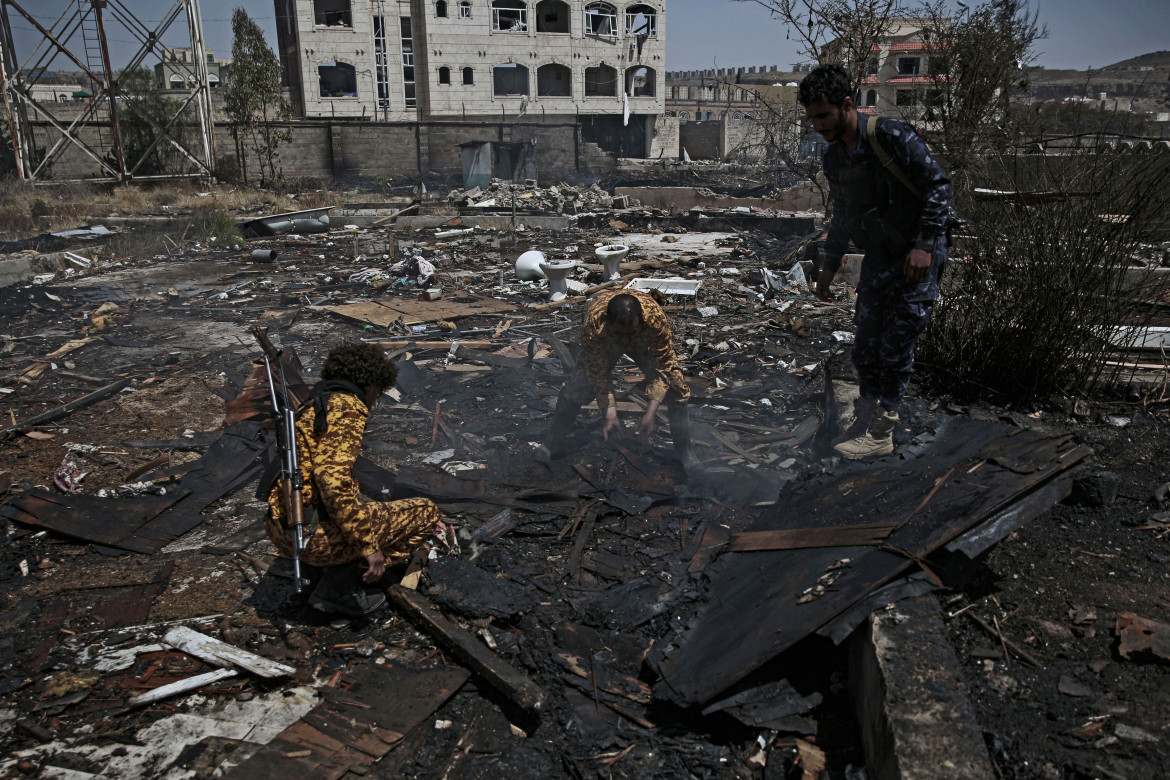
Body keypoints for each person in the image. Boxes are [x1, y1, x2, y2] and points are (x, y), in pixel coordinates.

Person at [799, 64, 953, 459]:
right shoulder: (835, 158)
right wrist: (828, 268)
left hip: (915, 257)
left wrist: (924, 244)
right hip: (880, 257)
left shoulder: (890, 135)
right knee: (865, 346)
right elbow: (845, 216)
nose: (816, 125)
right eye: (811, 117)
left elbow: (939, 185)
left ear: (847, 105)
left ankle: (883, 430)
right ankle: (866, 418)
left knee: (896, 344)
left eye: (823, 115)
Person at [264, 342, 449, 617]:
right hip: (314, 540)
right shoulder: (348, 407)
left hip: (285, 531)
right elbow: (331, 478)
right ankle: (343, 586)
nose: (375, 401)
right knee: (426, 511)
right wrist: (368, 545)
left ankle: (327, 571)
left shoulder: (314, 403)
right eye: (377, 392)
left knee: (360, 505)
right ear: (370, 383)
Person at [536, 289, 702, 477]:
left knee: (675, 385)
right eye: (620, 334)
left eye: (629, 333)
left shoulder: (655, 320)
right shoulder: (595, 326)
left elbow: (662, 368)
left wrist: (651, 413)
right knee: (579, 385)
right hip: (606, 340)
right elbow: (598, 373)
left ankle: (686, 453)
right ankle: (550, 444)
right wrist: (610, 411)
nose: (625, 340)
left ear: (641, 321)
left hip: (642, 341)